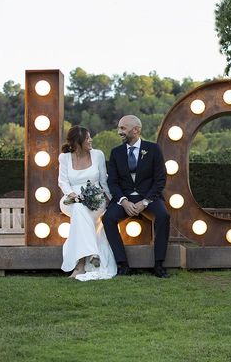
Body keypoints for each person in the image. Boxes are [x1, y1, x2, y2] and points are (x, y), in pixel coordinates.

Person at [103, 115, 170, 278]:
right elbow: (112, 182)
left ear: (136, 130)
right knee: (108, 219)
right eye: (119, 128)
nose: (120, 132)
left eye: (123, 128)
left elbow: (160, 180)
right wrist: (123, 201)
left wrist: (146, 201)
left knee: (163, 216)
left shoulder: (153, 149)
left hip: (148, 198)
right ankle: (122, 264)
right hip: (125, 199)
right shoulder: (116, 153)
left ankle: (159, 264)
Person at [58, 125, 117, 281]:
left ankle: (80, 265)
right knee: (77, 207)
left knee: (80, 212)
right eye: (87, 138)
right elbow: (63, 182)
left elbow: (104, 180)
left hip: (96, 199)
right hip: (70, 199)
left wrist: (111, 199)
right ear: (78, 143)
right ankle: (92, 253)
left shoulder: (97, 155)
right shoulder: (64, 158)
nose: (91, 140)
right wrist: (74, 195)